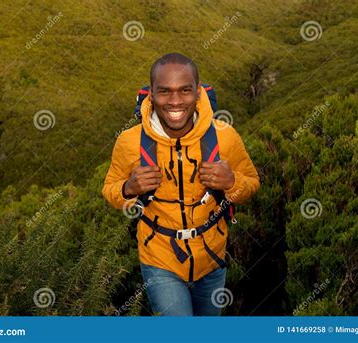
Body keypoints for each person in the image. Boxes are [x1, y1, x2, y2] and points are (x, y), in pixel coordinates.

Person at [102, 52, 260, 316]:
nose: (175, 101)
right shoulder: (130, 142)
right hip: (159, 259)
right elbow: (110, 190)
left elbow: (252, 184)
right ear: (151, 94)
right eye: (164, 92)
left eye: (184, 90)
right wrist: (128, 188)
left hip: (212, 258)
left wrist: (231, 182)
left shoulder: (224, 137)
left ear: (198, 93)